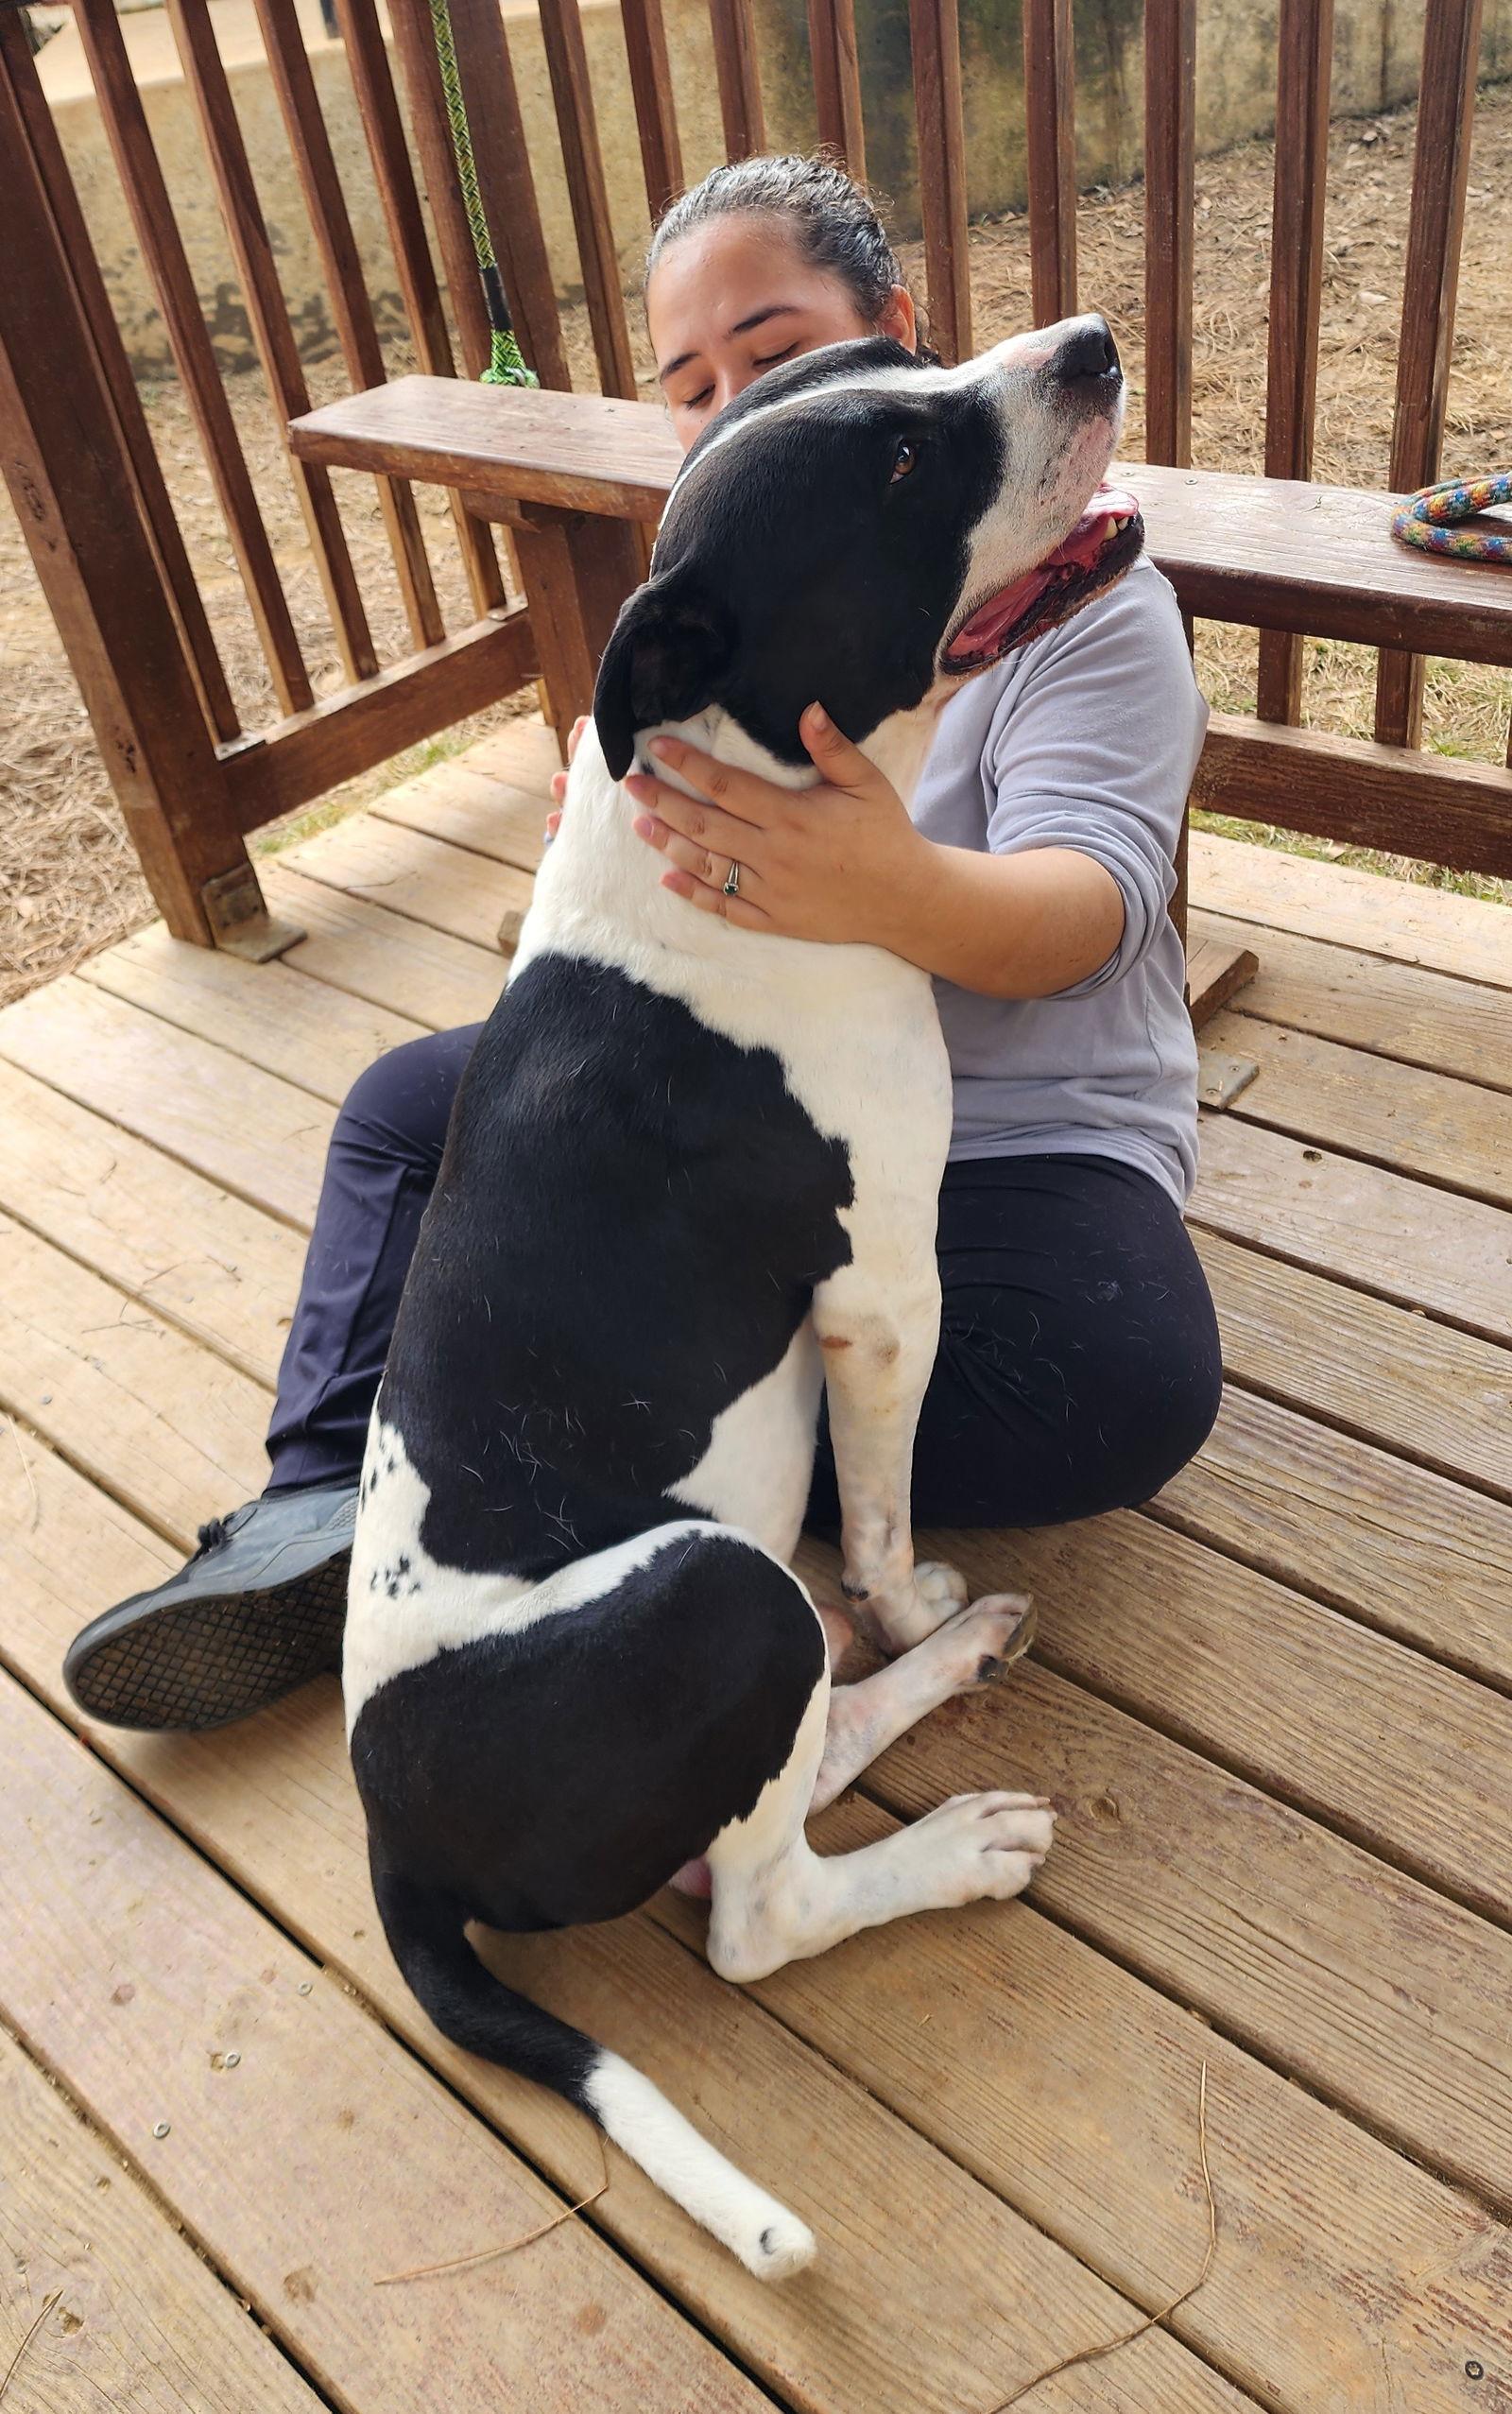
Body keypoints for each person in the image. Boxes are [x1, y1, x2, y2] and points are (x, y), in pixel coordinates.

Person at [64, 155, 1222, 1734]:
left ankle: (671, 1491)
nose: (738, 399)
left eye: (778, 346)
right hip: (755, 1114)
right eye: (696, 384)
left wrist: (871, 877)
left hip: (1019, 1143)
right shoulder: (730, 603)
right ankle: (321, 1504)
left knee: (1126, 1374)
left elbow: (1087, 914)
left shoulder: (1071, 587)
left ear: (892, 329)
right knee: (410, 1115)